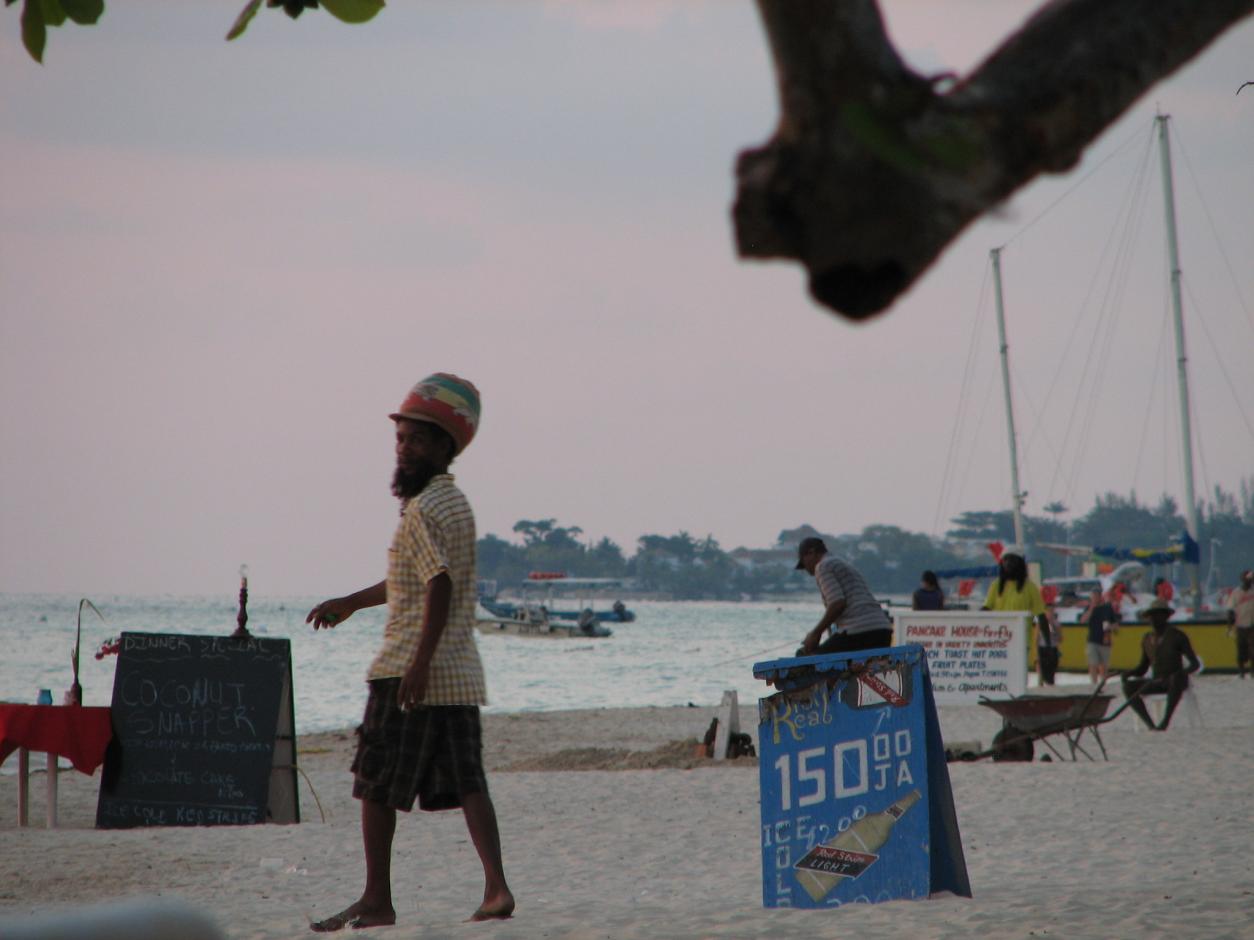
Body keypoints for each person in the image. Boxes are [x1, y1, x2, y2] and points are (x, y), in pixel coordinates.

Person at [305, 374, 514, 931]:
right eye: (401, 438)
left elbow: (437, 584)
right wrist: (351, 602)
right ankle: (496, 888)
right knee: (468, 781)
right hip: (458, 671)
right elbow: (416, 579)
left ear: (446, 447)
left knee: (376, 783)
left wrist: (417, 665)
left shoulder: (423, 509)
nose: (404, 448)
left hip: (408, 669)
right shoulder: (454, 503)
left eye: (418, 439)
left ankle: (377, 899)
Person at [794, 537, 894, 655]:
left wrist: (815, 633)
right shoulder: (842, 563)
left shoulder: (823, 567)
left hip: (859, 631)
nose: (805, 568)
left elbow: (837, 603)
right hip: (883, 629)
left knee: (805, 658)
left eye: (803, 563)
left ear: (812, 552)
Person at [1120, 598, 1201, 731]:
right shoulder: (1147, 639)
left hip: (1176, 681)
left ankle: (1165, 722)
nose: (1153, 619)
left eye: (1157, 615)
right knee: (1128, 687)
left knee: (1175, 680)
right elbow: (1142, 668)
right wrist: (1128, 673)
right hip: (1157, 681)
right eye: (1151, 616)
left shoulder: (1177, 636)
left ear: (1165, 616)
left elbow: (1195, 664)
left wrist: (1181, 673)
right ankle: (1150, 725)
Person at [981, 553, 1050, 673]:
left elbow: (1040, 616)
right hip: (997, 642)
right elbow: (986, 608)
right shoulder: (996, 585)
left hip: (1021, 642)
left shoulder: (1030, 587)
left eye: (1012, 560)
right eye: (1006, 560)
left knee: (1017, 675)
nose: (1008, 563)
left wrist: (1047, 644)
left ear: (1020, 564)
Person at [1079, 588, 1120, 684]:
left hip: (1105, 640)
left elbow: (1116, 625)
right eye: (1093, 596)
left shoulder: (1107, 608)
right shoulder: (1089, 608)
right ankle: (1094, 683)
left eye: (1096, 596)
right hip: (1092, 640)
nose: (1094, 598)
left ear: (1100, 596)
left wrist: (1110, 626)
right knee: (1093, 664)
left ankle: (1103, 683)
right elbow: (1082, 620)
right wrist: (1091, 608)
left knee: (1104, 666)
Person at [1226, 569, 1254, 678]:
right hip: (1240, 625)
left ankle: (1252, 671)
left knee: (1252, 649)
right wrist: (1229, 626)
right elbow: (1230, 610)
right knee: (1241, 650)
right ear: (1243, 580)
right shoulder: (1236, 593)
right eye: (1248, 579)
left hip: (1252, 625)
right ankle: (1241, 672)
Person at [1035, 601, 1062, 686]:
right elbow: (1036, 638)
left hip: (1052, 648)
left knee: (1051, 670)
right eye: (1049, 610)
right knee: (1042, 669)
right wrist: (1036, 653)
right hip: (1043, 647)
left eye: (1052, 610)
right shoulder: (1041, 622)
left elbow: (1060, 638)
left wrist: (1053, 627)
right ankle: (1041, 683)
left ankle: (1051, 683)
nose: (1050, 612)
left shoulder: (1056, 623)